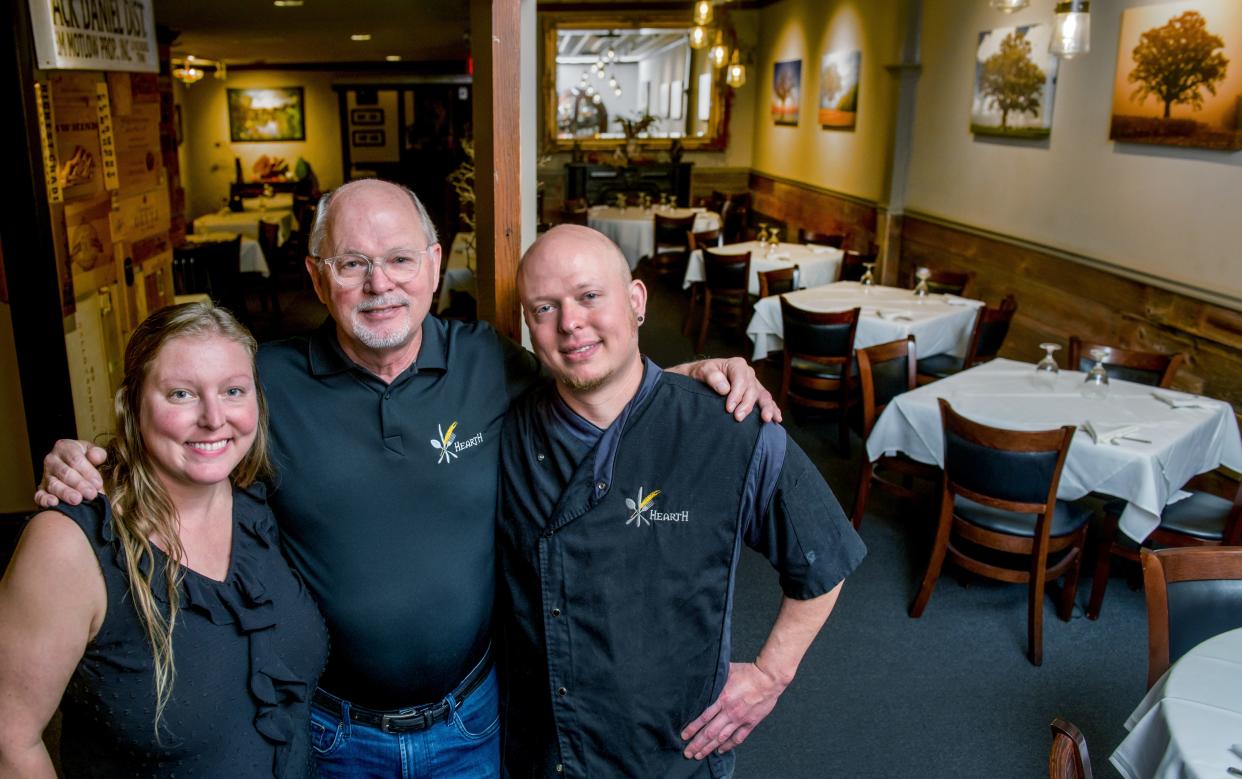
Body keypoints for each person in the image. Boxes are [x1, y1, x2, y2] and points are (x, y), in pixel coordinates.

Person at [35, 180, 779, 777]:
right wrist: (91, 459)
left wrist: (690, 378)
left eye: (398, 258)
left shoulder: (490, 362)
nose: (378, 282)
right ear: (317, 279)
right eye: (352, 263)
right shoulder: (266, 384)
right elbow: (188, 429)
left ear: (433, 263)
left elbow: (593, 382)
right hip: (331, 734)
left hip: (474, 720)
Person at [496, 225, 867, 777]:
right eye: (544, 307)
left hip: (672, 753)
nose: (570, 323)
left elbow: (825, 558)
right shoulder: (502, 430)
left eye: (590, 295)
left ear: (637, 301)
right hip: (539, 750)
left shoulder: (733, 428)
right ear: (528, 327)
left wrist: (770, 675)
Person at [0, 302, 327, 777]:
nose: (214, 418)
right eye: (180, 394)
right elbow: (10, 742)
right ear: (131, 402)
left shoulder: (260, 504)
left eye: (233, 390)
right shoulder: (69, 545)